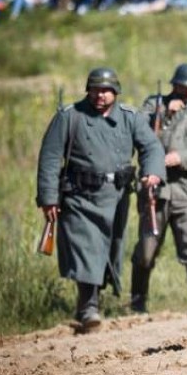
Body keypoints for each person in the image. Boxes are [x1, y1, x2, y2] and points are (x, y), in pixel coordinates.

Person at [36, 68, 165, 331]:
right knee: (87, 248)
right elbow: (50, 158)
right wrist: (49, 198)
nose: (100, 95)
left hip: (116, 198)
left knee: (109, 251)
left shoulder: (130, 118)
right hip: (78, 199)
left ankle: (93, 302)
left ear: (115, 92)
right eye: (95, 89)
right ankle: (89, 309)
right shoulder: (70, 116)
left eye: (105, 90)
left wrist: (152, 172)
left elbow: (151, 147)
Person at [130, 64, 187, 313]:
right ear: (174, 85)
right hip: (155, 189)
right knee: (147, 248)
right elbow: (137, 131)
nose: (186, 92)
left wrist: (180, 157)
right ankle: (137, 301)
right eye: (182, 87)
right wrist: (161, 114)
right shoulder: (152, 105)